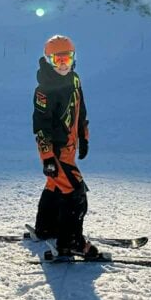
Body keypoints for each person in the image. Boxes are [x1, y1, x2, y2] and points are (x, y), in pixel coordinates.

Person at [32, 34, 99, 259]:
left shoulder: (74, 79)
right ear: (48, 60)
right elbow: (41, 127)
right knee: (75, 192)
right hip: (56, 151)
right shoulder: (45, 90)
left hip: (69, 149)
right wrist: (48, 157)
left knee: (55, 185)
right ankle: (71, 242)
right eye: (57, 60)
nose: (62, 65)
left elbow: (81, 110)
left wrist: (84, 136)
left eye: (66, 59)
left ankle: (46, 228)